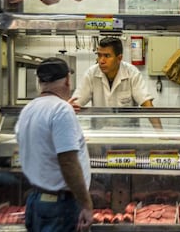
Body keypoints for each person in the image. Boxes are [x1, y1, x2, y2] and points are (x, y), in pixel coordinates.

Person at [15, 57, 93, 232]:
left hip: (36, 200)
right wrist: (86, 204)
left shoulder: (29, 109)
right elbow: (68, 162)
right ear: (67, 80)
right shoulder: (62, 110)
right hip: (60, 206)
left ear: (40, 82)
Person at [70, 36, 162, 129]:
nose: (101, 61)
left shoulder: (132, 73)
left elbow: (147, 105)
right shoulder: (91, 74)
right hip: (100, 134)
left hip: (127, 135)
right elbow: (75, 104)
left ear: (119, 58)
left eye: (107, 56)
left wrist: (161, 134)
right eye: (99, 55)